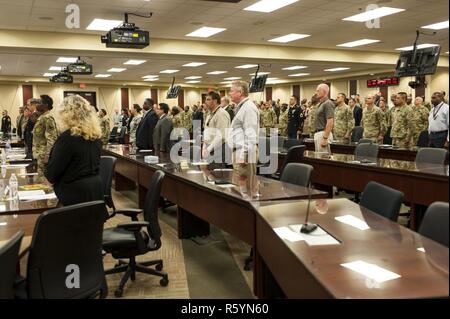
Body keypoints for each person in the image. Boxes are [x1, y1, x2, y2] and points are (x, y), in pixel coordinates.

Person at [45, 95, 103, 206]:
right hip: (94, 194)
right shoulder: (95, 136)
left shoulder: (68, 137)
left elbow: (52, 173)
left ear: (66, 115)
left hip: (72, 196)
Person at [227, 80, 259, 177]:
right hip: (239, 151)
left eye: (232, 91)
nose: (229, 93)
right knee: (239, 187)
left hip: (244, 153)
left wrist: (244, 155)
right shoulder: (242, 107)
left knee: (245, 187)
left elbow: (251, 134)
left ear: (240, 92)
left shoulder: (248, 108)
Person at [33, 95, 59, 177]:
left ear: (46, 105)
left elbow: (51, 138)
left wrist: (47, 156)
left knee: (43, 179)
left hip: (44, 155)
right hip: (39, 154)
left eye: (39, 103)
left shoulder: (48, 118)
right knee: (41, 177)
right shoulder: (42, 117)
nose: (37, 105)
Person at [202, 91, 231, 162]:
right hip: (210, 149)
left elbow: (221, 136)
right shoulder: (209, 114)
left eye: (208, 99)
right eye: (206, 99)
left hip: (219, 150)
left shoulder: (221, 114)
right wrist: (204, 148)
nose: (205, 102)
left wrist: (208, 149)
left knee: (217, 172)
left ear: (215, 101)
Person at [314, 84, 334, 152]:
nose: (316, 93)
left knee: (324, 158)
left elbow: (330, 122)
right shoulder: (320, 104)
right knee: (318, 158)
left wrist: (325, 138)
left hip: (323, 134)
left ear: (324, 91)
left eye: (318, 91)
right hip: (318, 133)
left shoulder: (328, 103)